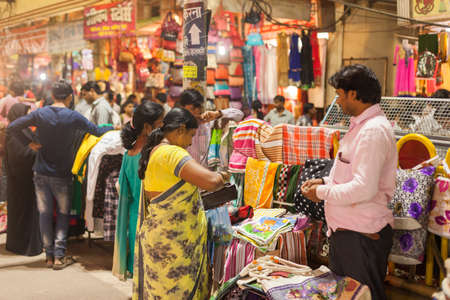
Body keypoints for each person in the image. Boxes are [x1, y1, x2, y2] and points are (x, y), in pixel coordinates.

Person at [301, 64, 396, 300]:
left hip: (361, 236)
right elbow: (350, 173)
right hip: (349, 233)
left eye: (339, 94)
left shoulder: (372, 131)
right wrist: (323, 180)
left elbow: (364, 187)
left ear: (353, 94)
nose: (338, 100)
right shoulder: (360, 127)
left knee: (363, 296)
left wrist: (321, 192)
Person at [7, 80, 112, 270]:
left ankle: (48, 256)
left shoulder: (40, 113)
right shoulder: (73, 116)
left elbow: (12, 127)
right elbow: (96, 131)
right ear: (70, 97)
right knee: (63, 214)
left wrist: (27, 143)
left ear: (53, 95)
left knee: (45, 215)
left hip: (40, 172)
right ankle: (59, 256)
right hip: (62, 174)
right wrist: (114, 128)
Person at [133, 108, 230, 300]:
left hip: (161, 241)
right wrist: (223, 176)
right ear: (180, 129)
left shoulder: (156, 151)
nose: (190, 142)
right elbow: (210, 181)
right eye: (191, 135)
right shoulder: (172, 153)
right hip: (174, 248)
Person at [113, 102, 164, 280]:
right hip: (151, 220)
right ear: (148, 127)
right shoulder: (154, 154)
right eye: (160, 123)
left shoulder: (128, 154)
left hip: (135, 220)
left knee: (140, 276)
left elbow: (122, 189)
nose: (163, 127)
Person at [5, 103, 42, 256]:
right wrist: (36, 150)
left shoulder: (22, 130)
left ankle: (30, 244)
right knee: (22, 213)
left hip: (28, 179)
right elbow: (19, 156)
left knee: (29, 213)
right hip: (20, 181)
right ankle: (22, 246)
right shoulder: (13, 134)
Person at [179, 89, 244, 167]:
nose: (196, 112)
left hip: (208, 174)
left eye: (199, 108)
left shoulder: (209, 123)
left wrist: (218, 114)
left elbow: (239, 115)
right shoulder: (178, 129)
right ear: (182, 108)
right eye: (192, 109)